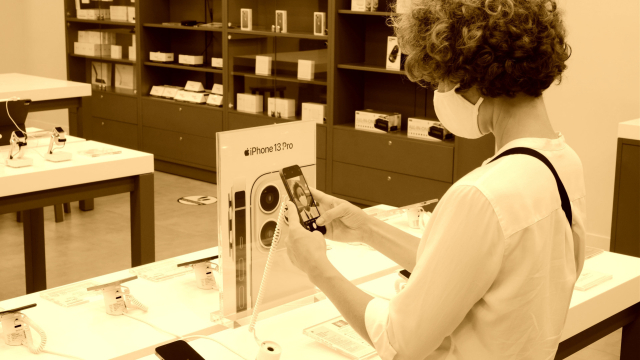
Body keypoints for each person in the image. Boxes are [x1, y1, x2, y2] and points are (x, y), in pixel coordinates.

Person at [283, 0, 586, 359]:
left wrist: (317, 267)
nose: (439, 94)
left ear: (472, 79)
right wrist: (366, 228)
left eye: (441, 81)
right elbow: (460, 268)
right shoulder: (562, 163)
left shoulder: (482, 195)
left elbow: (400, 341)